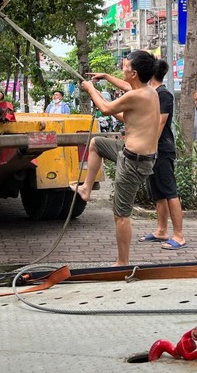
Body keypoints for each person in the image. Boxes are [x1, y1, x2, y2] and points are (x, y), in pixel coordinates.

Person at [76, 50, 160, 267]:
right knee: (96, 143)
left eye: (125, 66)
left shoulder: (137, 95)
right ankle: (86, 188)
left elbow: (104, 109)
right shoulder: (149, 91)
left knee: (121, 214)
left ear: (133, 73)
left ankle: (122, 262)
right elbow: (124, 98)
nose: (122, 67)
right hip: (130, 152)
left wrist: (91, 88)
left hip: (134, 161)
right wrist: (105, 77)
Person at [139, 59, 185, 250]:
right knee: (158, 192)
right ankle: (161, 231)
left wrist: (152, 147)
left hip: (162, 149)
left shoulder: (164, 94)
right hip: (154, 148)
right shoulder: (152, 93)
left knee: (169, 192)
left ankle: (179, 236)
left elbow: (160, 123)